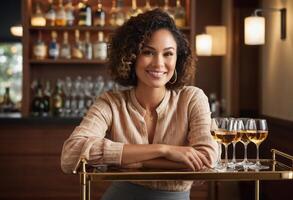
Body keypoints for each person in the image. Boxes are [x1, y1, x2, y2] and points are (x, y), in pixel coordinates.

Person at [61, 8, 218, 200]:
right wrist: (164, 150)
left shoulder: (192, 98)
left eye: (168, 54)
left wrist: (133, 161)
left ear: (178, 59)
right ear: (130, 56)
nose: (159, 63)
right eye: (148, 52)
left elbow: (207, 160)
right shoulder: (111, 102)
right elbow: (70, 156)